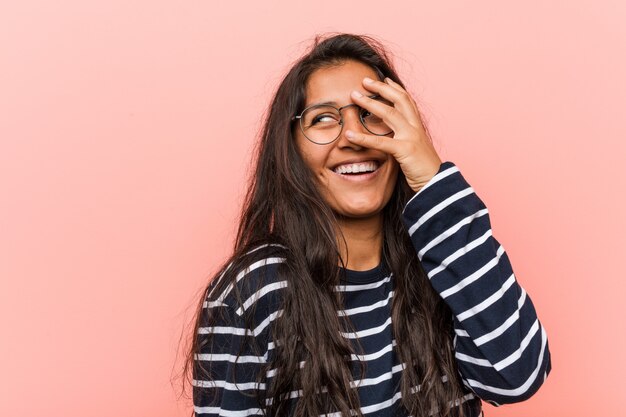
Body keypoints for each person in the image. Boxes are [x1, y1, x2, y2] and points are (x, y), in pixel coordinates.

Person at [183, 33, 552, 417]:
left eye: (373, 113)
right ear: (290, 148)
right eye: (323, 119)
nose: (354, 138)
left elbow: (519, 377)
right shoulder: (252, 291)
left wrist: (431, 180)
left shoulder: (446, 263)